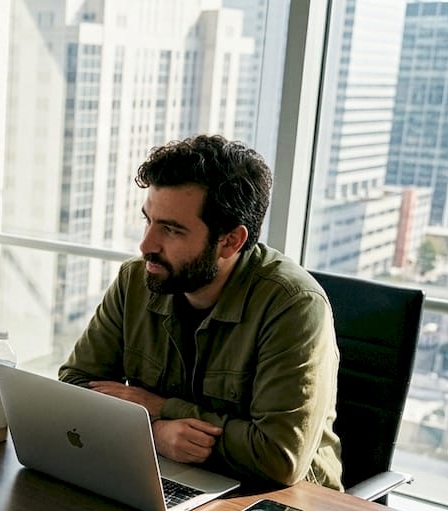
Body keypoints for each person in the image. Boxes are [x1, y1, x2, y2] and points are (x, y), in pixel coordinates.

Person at [58, 135, 342, 489]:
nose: (146, 245)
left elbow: (279, 457)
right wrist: (156, 432)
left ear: (230, 242)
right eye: (149, 220)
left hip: (278, 506)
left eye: (172, 230)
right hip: (168, 476)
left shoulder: (294, 306)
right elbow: (72, 387)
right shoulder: (136, 280)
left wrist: (163, 408)